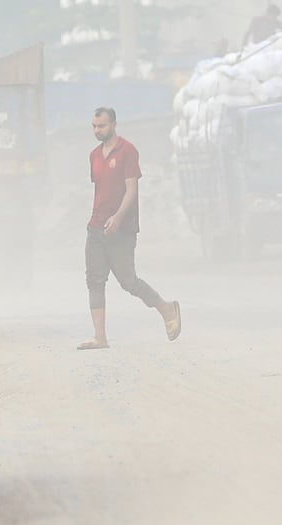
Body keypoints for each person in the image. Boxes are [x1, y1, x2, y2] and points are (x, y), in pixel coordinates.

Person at [79, 107, 181, 350]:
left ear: (114, 124)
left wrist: (117, 217)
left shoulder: (127, 151)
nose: (97, 130)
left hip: (122, 229)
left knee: (128, 280)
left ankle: (166, 308)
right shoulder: (94, 155)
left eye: (101, 126)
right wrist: (101, 219)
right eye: (94, 126)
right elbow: (101, 191)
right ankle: (100, 337)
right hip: (96, 227)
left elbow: (131, 190)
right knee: (94, 280)